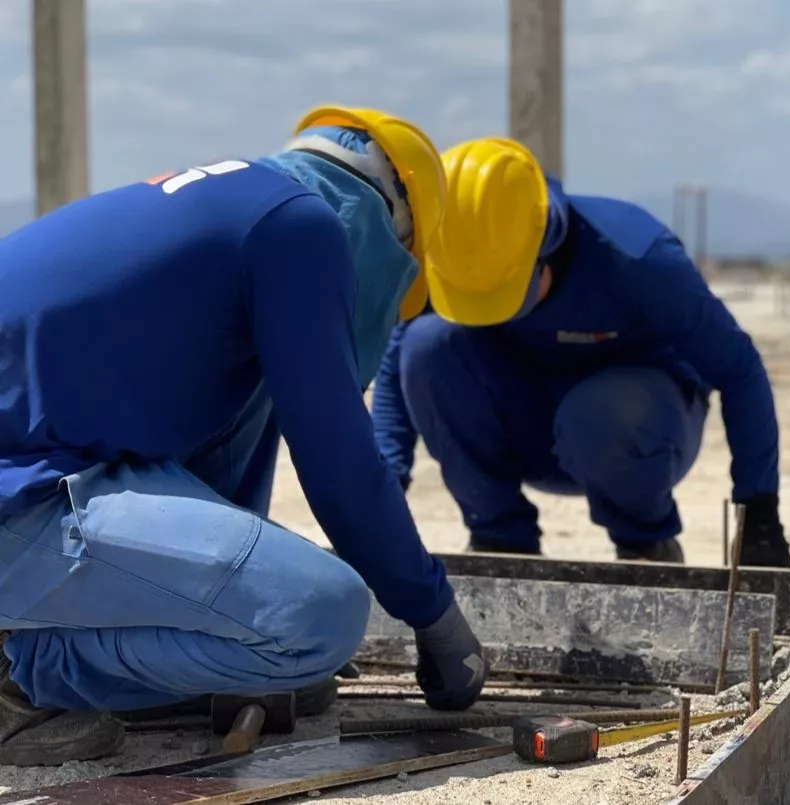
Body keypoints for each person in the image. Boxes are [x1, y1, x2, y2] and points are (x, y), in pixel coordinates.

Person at [0, 106, 488, 768]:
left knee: (251, 387)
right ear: (391, 233)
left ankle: (131, 653)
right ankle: (18, 663)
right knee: (321, 614)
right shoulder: (302, 227)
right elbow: (340, 467)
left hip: (38, 471)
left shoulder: (234, 207)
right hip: (22, 491)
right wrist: (434, 615)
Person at [372, 136, 790, 570]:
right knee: (427, 345)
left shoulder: (638, 258)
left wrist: (759, 510)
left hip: (636, 431)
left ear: (545, 249)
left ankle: (645, 546)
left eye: (504, 295)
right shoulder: (456, 250)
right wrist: (379, 494)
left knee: (598, 411)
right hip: (530, 426)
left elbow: (740, 371)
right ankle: (500, 541)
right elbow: (397, 370)